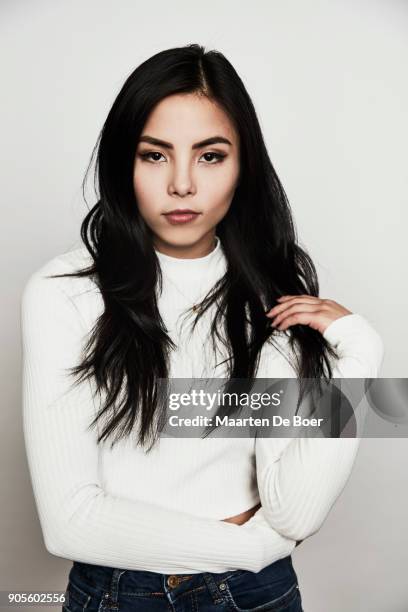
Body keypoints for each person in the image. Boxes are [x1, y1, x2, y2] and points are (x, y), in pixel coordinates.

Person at [21, 44, 384, 612]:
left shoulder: (269, 289)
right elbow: (70, 524)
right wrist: (251, 546)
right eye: (155, 155)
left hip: (256, 595)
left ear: (243, 166)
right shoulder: (64, 291)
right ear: (124, 163)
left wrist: (361, 354)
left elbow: (296, 508)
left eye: (210, 156)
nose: (183, 185)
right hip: (125, 594)